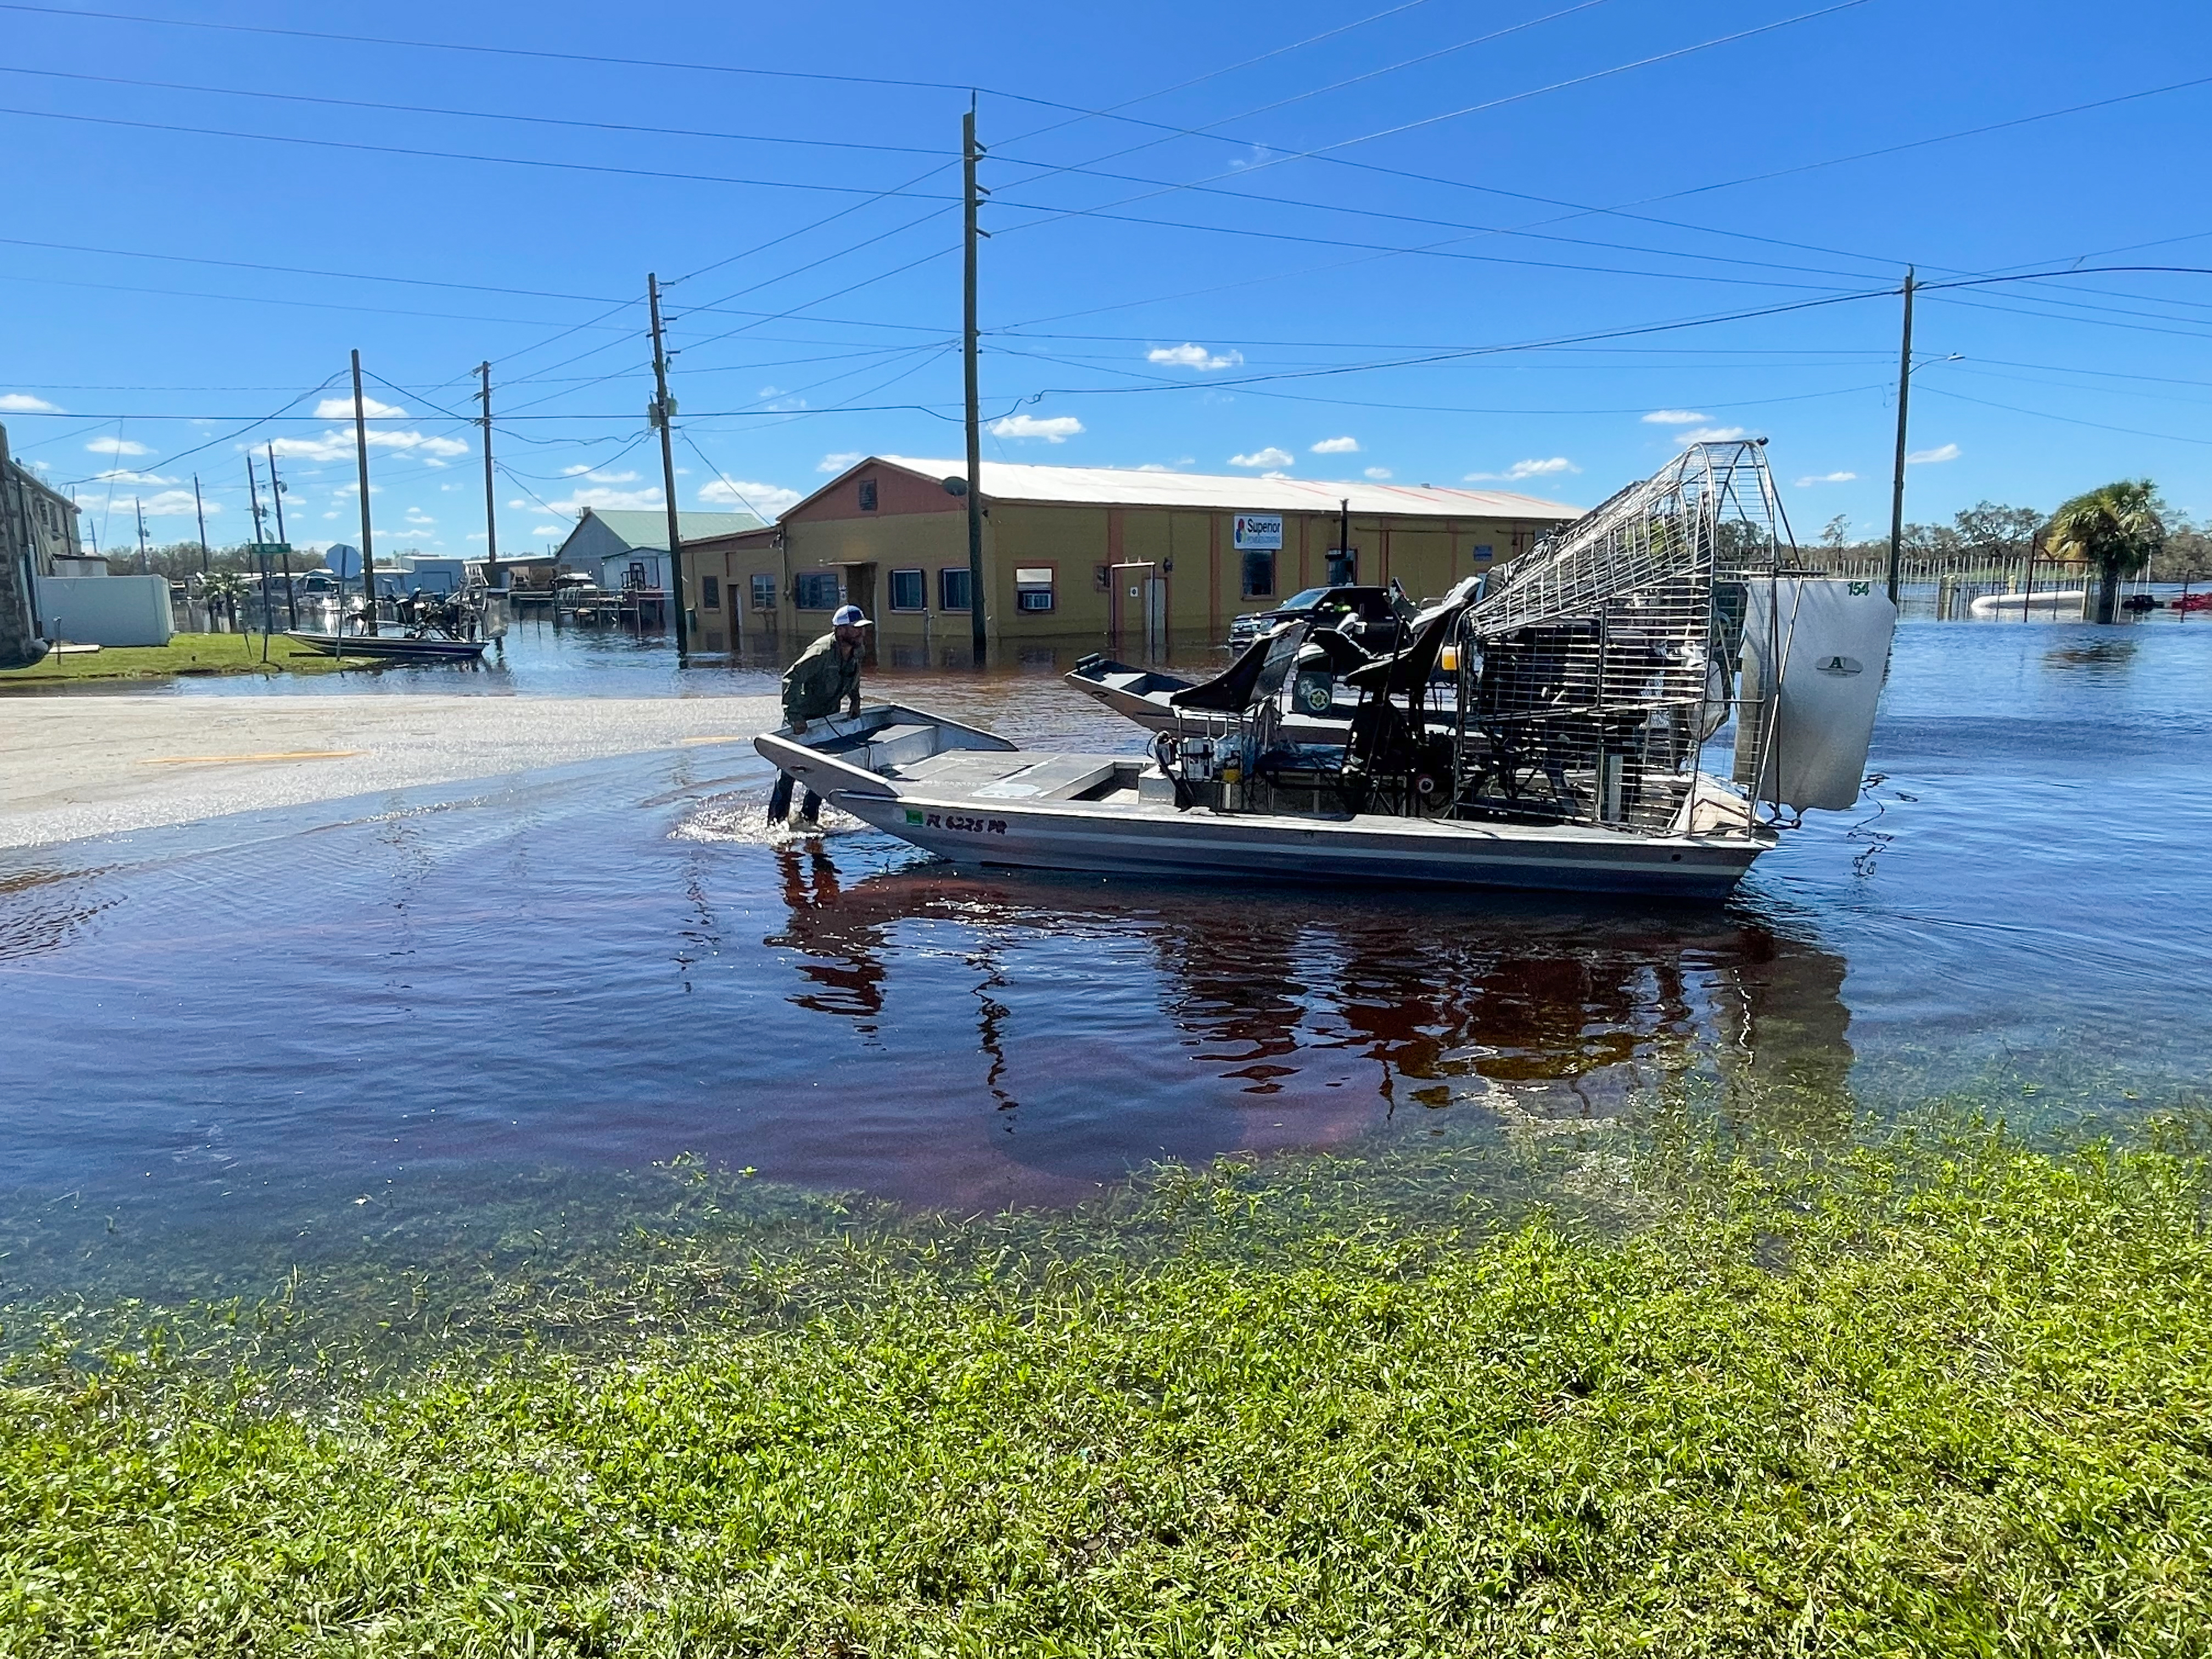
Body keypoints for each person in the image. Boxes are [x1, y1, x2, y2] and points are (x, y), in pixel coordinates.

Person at [769, 603, 870, 826]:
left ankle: (809, 819)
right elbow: (791, 678)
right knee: (788, 772)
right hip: (802, 717)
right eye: (856, 628)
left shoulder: (857, 649)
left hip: (828, 716)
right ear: (841, 631)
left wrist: (855, 700)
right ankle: (776, 824)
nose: (862, 633)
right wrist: (794, 715)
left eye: (863, 628)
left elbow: (855, 675)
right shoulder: (821, 652)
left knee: (821, 770)